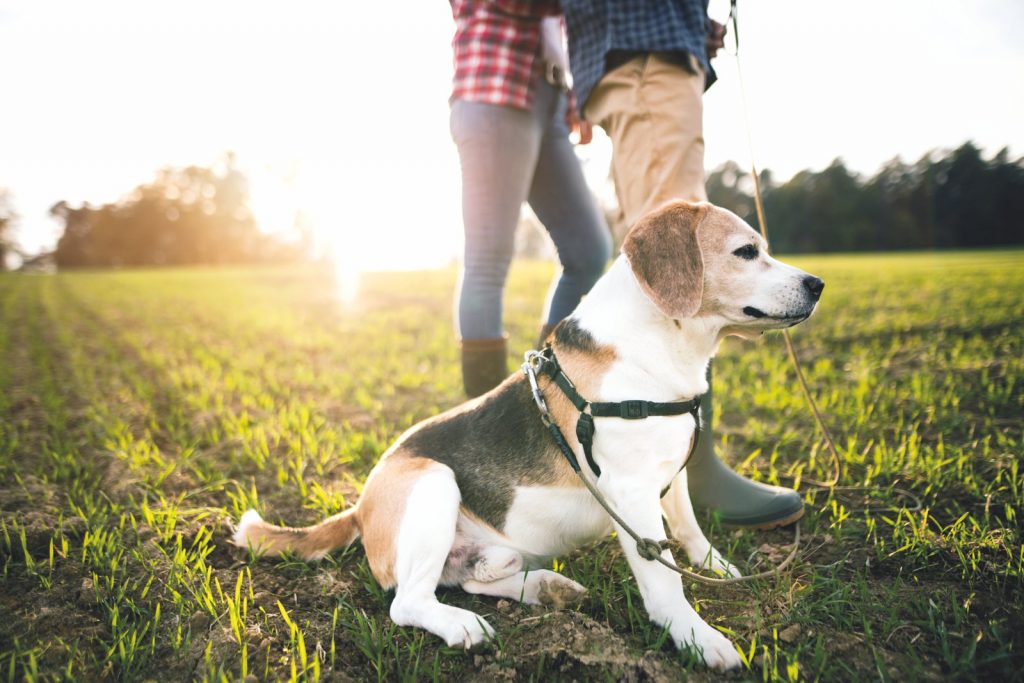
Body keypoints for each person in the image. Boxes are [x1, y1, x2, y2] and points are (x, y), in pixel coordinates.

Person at [560, 0, 804, 529]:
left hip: (652, 46)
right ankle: (694, 470)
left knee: (661, 243)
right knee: (676, 242)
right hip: (645, 43)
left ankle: (605, 444)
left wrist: (694, 20)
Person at [448, 0, 612, 398]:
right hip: (493, 90)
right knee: (488, 259)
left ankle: (544, 390)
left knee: (589, 250)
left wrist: (575, 100)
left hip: (549, 100)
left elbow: (556, 30)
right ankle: (484, 419)